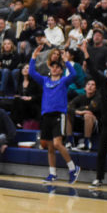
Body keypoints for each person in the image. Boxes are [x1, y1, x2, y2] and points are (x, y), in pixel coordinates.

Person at [28, 46, 80, 183]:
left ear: (61, 70)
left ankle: (73, 168)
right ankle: (52, 173)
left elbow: (74, 75)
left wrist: (66, 61)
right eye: (53, 67)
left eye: (58, 67)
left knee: (57, 144)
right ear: (50, 68)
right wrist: (33, 57)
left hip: (58, 114)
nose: (55, 68)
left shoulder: (63, 81)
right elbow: (32, 72)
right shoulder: (45, 81)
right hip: (46, 115)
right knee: (49, 146)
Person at [67, 80, 99, 151]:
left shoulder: (98, 98)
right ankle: (69, 141)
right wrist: (79, 112)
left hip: (95, 126)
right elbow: (68, 107)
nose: (90, 86)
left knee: (87, 115)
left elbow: (92, 108)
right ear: (85, 88)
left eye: (92, 85)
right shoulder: (80, 97)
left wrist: (79, 110)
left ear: (95, 89)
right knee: (68, 114)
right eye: (88, 84)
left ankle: (86, 142)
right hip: (80, 123)